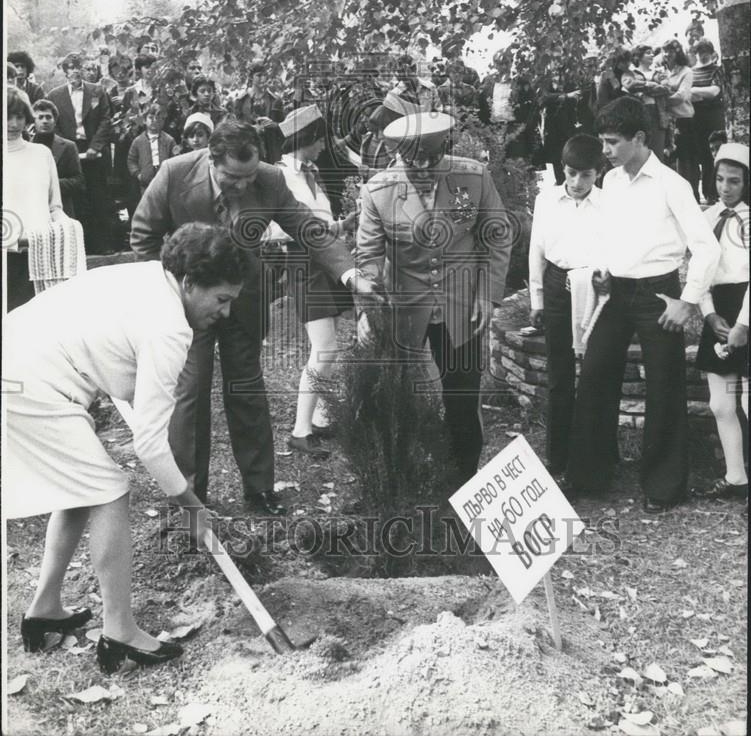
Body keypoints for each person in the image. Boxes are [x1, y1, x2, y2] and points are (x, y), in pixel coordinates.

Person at [3, 224, 244, 672]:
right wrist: (191, 506)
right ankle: (120, 632)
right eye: (222, 299)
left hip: (18, 359)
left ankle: (43, 610)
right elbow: (150, 443)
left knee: (80, 488)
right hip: (30, 382)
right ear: (190, 283)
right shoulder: (170, 328)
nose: (225, 313)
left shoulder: (150, 276)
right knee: (110, 490)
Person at [130, 120, 379, 514]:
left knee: (247, 390)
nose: (245, 185)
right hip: (187, 308)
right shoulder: (174, 173)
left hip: (244, 302)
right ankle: (190, 496)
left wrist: (350, 274)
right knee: (190, 395)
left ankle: (260, 489)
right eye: (233, 177)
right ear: (212, 162)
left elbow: (308, 228)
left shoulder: (270, 179)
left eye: (250, 176)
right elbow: (143, 234)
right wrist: (170, 293)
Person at [566, 97, 721, 512]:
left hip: (659, 296)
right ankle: (589, 477)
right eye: (602, 140)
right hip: (616, 293)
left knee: (665, 387)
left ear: (639, 138)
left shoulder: (673, 184)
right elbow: (608, 234)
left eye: (613, 141)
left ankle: (664, 487)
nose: (606, 150)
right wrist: (602, 269)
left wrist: (687, 302)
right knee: (596, 376)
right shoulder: (612, 181)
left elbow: (706, 249)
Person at [356, 112, 511, 485]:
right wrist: (368, 309)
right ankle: (405, 477)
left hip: (463, 304)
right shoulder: (378, 191)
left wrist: (488, 296)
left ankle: (463, 480)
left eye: (433, 161)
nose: (424, 170)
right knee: (402, 398)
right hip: (406, 308)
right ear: (397, 157)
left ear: (445, 149)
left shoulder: (473, 177)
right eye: (413, 164)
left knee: (462, 398)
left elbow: (497, 235)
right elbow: (369, 256)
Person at [267, 106, 356, 458]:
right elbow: (274, 228)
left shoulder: (312, 174)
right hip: (303, 264)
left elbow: (318, 220)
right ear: (306, 139)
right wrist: (314, 232)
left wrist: (340, 225)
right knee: (325, 349)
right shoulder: (277, 177)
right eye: (320, 139)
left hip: (327, 260)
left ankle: (318, 417)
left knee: (329, 345)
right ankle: (300, 430)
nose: (323, 146)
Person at [528, 134, 607, 478]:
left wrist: (607, 281)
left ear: (598, 173)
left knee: (595, 374)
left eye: (586, 175)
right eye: (572, 173)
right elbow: (536, 250)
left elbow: (615, 246)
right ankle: (557, 457)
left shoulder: (608, 204)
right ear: (563, 169)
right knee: (560, 375)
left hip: (595, 288)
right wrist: (537, 299)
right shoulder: (547, 200)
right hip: (558, 286)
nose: (577, 183)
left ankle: (593, 459)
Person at [694, 143, 749, 500]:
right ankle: (735, 478)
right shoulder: (707, 217)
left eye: (734, 181)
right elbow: (699, 273)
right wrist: (709, 313)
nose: (725, 187)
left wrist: (744, 324)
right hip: (719, 310)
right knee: (721, 403)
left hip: (747, 307)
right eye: (719, 179)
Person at [47, 52, 114, 253]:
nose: (75, 71)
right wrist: (67, 149)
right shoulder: (54, 96)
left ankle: (103, 245)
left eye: (78, 67)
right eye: (70, 67)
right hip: (69, 151)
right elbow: (54, 126)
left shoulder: (97, 92)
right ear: (65, 71)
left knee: (98, 196)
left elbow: (106, 119)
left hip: (94, 150)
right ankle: (77, 249)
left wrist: (95, 147)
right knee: (75, 198)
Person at [4, 87, 65, 310]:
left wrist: (68, 227)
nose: (13, 124)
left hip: (39, 258)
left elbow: (55, 207)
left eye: (19, 116)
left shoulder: (42, 154)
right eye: (7, 116)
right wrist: (12, 241)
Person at [32, 98, 86, 219]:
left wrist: (51, 184)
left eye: (48, 117)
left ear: (55, 121)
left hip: (62, 209)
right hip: (32, 208)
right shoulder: (27, 146)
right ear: (33, 121)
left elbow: (78, 180)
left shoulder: (68, 146)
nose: (45, 121)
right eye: (40, 117)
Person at [690, 38, 726, 204]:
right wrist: (699, 93)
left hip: (714, 115)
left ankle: (719, 192)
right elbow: (688, 96)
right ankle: (709, 194)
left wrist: (695, 90)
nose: (702, 55)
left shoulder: (717, 70)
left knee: (717, 153)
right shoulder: (691, 72)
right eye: (699, 52)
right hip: (696, 116)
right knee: (703, 154)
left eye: (706, 52)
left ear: (712, 53)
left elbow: (714, 91)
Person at [661, 39, 697, 195]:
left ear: (678, 52)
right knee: (668, 160)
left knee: (686, 160)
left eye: (671, 51)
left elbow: (681, 96)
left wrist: (661, 101)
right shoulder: (662, 72)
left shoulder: (686, 72)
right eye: (665, 51)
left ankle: (692, 194)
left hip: (683, 120)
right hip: (666, 121)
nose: (667, 54)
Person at [127, 103, 181, 195]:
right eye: (151, 118)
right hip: (146, 182)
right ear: (144, 120)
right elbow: (131, 160)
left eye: (158, 118)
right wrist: (138, 174)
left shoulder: (169, 140)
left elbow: (176, 159)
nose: (155, 120)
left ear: (163, 121)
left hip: (165, 181)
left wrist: (171, 174)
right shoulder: (138, 141)